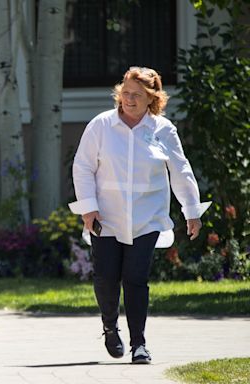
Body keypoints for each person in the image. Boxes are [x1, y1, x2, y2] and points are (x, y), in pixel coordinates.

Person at [69, 67, 210, 364]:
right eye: (125, 93)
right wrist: (89, 208)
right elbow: (82, 167)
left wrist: (192, 212)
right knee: (107, 278)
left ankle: (139, 344)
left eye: (137, 95)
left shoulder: (163, 129)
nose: (129, 99)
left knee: (136, 278)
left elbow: (180, 171)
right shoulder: (101, 125)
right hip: (104, 218)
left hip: (147, 218)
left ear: (152, 99)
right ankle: (110, 327)